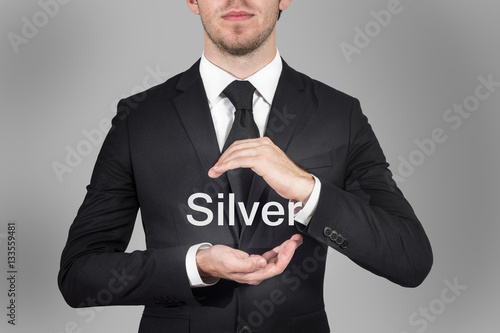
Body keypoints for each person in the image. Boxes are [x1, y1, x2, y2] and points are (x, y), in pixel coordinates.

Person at [58, 1, 433, 332]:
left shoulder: (340, 116)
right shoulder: (139, 118)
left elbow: (410, 259)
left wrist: (309, 190)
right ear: (192, 0)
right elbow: (79, 276)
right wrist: (196, 264)